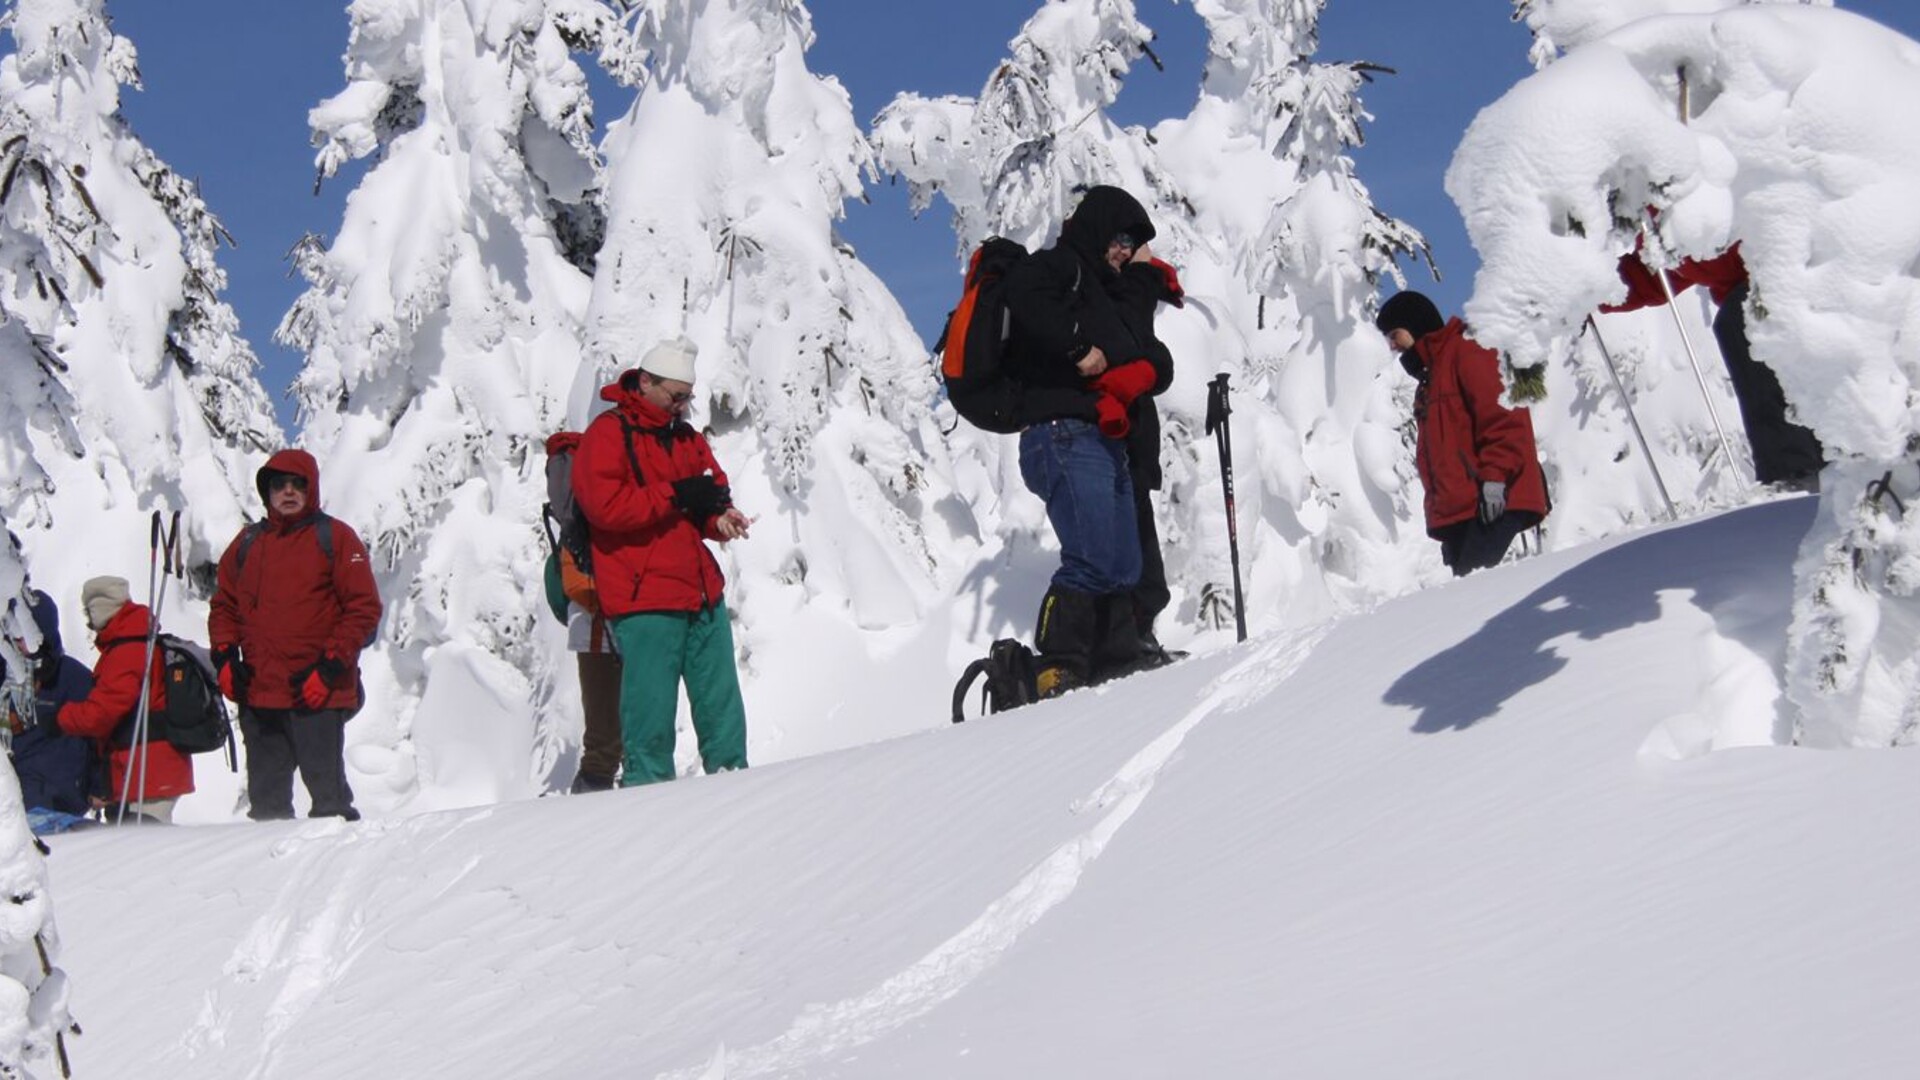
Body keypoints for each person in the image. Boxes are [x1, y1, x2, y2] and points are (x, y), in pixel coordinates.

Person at [1003, 185, 1176, 696]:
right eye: (1120, 237)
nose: (1126, 249)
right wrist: (1078, 347)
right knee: (1095, 558)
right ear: (1098, 229)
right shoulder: (1061, 267)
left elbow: (1145, 348)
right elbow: (1022, 292)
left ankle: (1114, 661)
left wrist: (1141, 268)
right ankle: (1057, 663)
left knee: (1124, 565)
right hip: (1062, 434)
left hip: (1100, 441)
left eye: (1134, 241)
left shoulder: (1102, 289)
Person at [571, 337, 751, 787]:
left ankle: (739, 800)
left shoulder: (685, 438)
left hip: (701, 591)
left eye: (688, 397)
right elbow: (605, 507)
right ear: (646, 382)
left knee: (722, 712)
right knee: (649, 720)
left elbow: (710, 488)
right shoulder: (608, 434)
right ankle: (646, 813)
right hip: (644, 597)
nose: (683, 406)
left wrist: (719, 517)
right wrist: (677, 494)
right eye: (676, 396)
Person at [210, 449, 382, 822]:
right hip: (259, 693)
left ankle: (343, 873)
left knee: (329, 803)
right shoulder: (247, 544)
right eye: (279, 485)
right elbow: (224, 605)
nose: (288, 492)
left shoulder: (335, 538)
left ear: (311, 488)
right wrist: (224, 657)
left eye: (297, 484)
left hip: (316, 692)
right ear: (267, 492)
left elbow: (363, 608)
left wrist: (331, 668)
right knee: (267, 807)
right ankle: (271, 877)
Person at [1605, 243, 1824, 488]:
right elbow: (1655, 272)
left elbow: (1711, 249)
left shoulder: (1694, 217)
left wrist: (1673, 241)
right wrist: (1593, 290)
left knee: (1743, 318)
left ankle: (1795, 472)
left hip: (1803, 285)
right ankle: (1798, 471)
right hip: (1767, 296)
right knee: (1740, 318)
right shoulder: (1668, 227)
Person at [1375, 291, 1550, 576]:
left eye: (1395, 334)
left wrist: (1495, 479)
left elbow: (1504, 419)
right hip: (1467, 511)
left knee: (1474, 601)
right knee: (1470, 603)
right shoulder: (1432, 376)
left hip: (1495, 499)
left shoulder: (1469, 351)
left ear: (1415, 323)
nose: (1393, 346)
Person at [31, 576, 193, 823]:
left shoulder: (128, 649)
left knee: (145, 849)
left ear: (101, 609)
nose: (87, 621)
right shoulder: (133, 641)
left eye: (89, 611)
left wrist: (60, 718)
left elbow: (104, 712)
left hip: (148, 771)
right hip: (145, 768)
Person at [6, 589, 100, 832]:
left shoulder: (73, 678)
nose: (18, 642)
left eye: (24, 635)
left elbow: (100, 736)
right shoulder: (7, 676)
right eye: (13, 635)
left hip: (66, 801)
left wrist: (99, 785)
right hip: (18, 806)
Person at [557, 541, 622, 793]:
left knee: (626, 738)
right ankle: (588, 813)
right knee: (604, 743)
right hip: (596, 626)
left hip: (609, 622)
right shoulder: (582, 516)